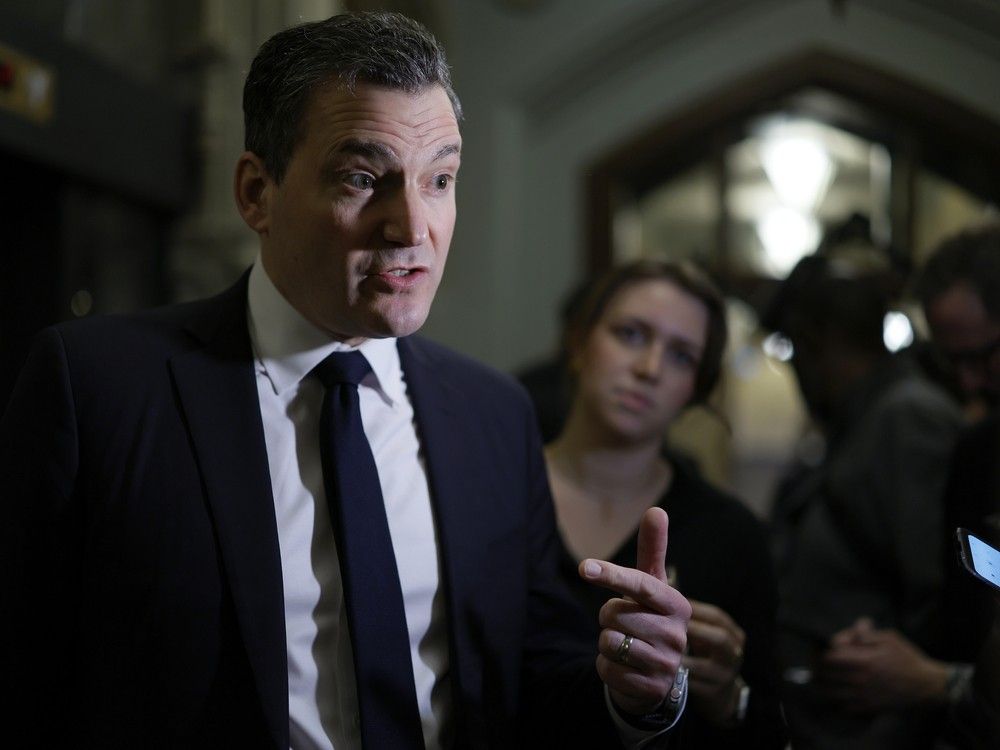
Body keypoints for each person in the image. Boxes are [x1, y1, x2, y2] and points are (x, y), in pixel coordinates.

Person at [0, 12, 692, 749]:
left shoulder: (492, 414)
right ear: (255, 193)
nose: (412, 226)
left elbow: (531, 673)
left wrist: (637, 689)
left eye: (441, 180)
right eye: (363, 178)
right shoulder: (97, 388)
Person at [543, 260, 787, 748]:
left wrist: (728, 697)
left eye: (681, 356)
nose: (649, 369)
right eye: (630, 334)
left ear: (696, 388)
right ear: (578, 342)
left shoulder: (730, 534)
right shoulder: (489, 489)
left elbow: (767, 722)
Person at [764, 253, 964, 749]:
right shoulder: (863, 416)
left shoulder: (906, 416)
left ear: (815, 344)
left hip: (876, 725)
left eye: (796, 352)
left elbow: (936, 599)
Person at [813, 223, 1000, 748]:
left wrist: (938, 682)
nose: (967, 383)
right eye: (951, 360)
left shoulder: (918, 420)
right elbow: (959, 608)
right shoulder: (978, 451)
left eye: (982, 356)